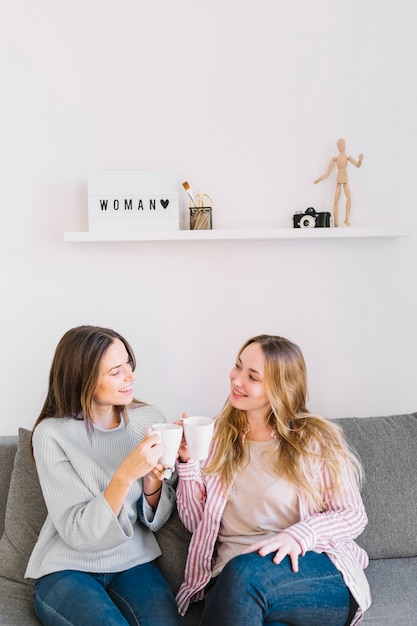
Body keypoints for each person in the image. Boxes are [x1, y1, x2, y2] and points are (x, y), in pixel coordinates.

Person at [175, 334, 371, 626]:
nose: (237, 380)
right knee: (245, 583)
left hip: (311, 571)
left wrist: (299, 535)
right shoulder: (213, 434)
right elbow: (195, 523)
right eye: (238, 366)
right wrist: (188, 464)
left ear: (281, 389)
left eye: (252, 376)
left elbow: (353, 515)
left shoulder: (315, 439)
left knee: (244, 572)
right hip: (232, 581)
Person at [26, 325, 181, 626]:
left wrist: (152, 483)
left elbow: (157, 519)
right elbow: (78, 533)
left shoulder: (150, 421)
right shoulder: (51, 435)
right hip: (66, 568)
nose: (130, 376)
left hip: (133, 563)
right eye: (115, 371)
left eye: (128, 364)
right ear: (83, 379)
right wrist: (124, 475)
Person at [314, 138, 364, 227]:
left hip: (344, 177)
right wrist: (319, 179)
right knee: (335, 202)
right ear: (338, 147)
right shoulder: (335, 159)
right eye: (340, 145)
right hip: (339, 178)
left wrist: (360, 160)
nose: (341, 146)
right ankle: (336, 223)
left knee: (348, 198)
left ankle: (346, 220)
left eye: (342, 144)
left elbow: (357, 165)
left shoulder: (348, 157)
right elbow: (327, 173)